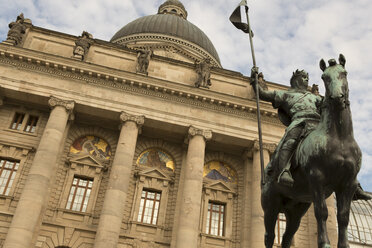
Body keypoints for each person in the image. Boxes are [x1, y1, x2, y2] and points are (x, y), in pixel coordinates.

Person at [251, 67, 371, 200]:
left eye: (307, 78)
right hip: (300, 122)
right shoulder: (286, 94)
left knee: (340, 148)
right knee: (290, 141)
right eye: (303, 77)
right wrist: (255, 81)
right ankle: (285, 170)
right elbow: (262, 94)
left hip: (318, 124)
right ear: (295, 80)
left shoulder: (314, 97)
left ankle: (354, 184)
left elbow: (329, 104)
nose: (306, 80)